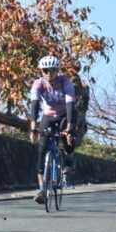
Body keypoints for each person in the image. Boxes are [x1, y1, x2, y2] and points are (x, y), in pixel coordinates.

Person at [28, 55, 77, 203]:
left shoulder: (65, 82)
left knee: (67, 135)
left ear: (57, 70)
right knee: (41, 149)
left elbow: (70, 105)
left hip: (64, 115)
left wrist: (69, 126)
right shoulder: (38, 84)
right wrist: (33, 127)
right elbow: (35, 105)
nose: (49, 74)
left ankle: (69, 160)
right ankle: (42, 189)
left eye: (53, 70)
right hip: (48, 116)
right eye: (45, 70)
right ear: (41, 71)